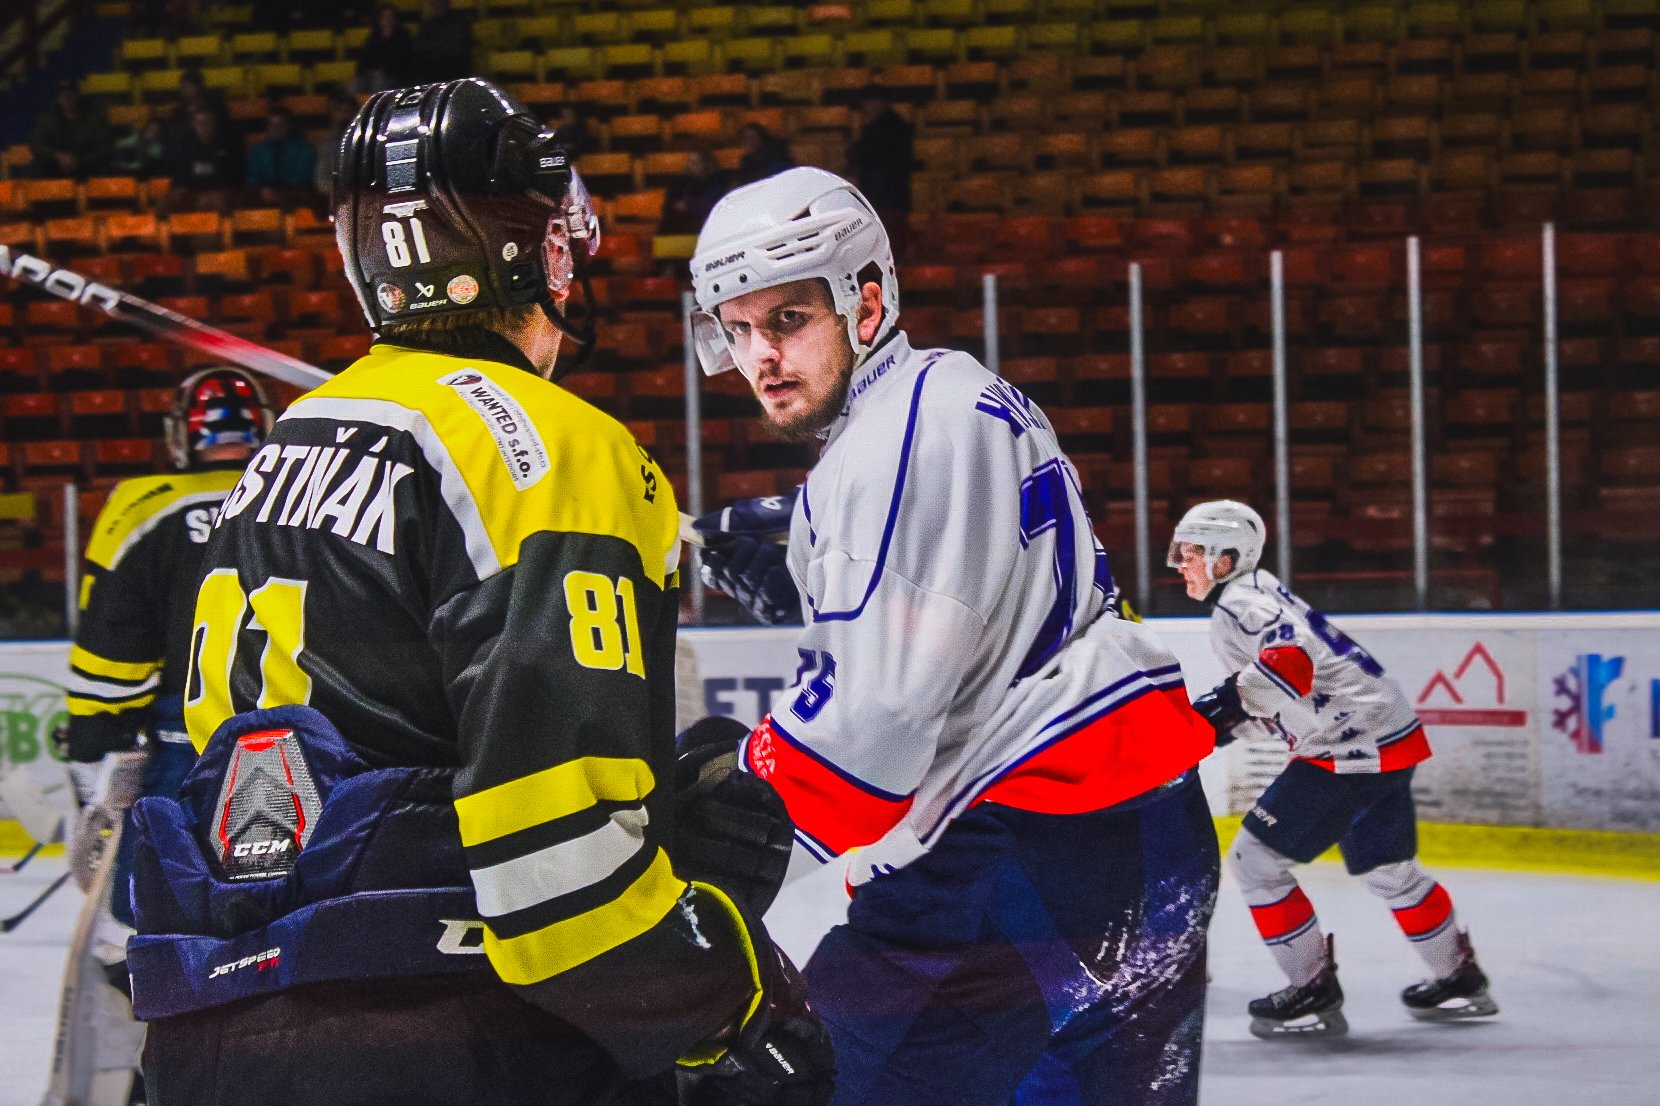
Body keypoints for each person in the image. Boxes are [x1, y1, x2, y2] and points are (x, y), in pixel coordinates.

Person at [124, 79, 832, 1106]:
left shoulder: (285, 445)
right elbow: (558, 883)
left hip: (206, 1037)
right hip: (435, 1031)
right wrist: (734, 997)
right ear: (541, 252)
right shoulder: (556, 448)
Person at [687, 167, 1219, 1106]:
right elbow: (974, 617)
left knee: (796, 1088)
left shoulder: (890, 441)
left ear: (867, 301)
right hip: (1141, 832)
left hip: (1021, 850)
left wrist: (720, 821)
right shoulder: (956, 390)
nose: (760, 355)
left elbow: (874, 729)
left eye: (787, 319)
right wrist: (804, 589)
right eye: (738, 328)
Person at [1169, 499, 1499, 1039]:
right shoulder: (1261, 589)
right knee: (1389, 870)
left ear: (1225, 558)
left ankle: (1311, 988)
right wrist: (1217, 726)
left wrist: (1214, 712)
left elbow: (1288, 668)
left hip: (1347, 751)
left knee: (1256, 863)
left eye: (1191, 553)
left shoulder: (1240, 604)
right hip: (1388, 737)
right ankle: (1457, 976)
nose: (1181, 564)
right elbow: (1282, 694)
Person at [60, 367, 273, 1102]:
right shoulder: (303, 493)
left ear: (185, 433)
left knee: (149, 920)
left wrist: (96, 739)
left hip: (183, 754)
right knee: (282, 914)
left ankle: (152, 1073)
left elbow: (111, 644)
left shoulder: (146, 504)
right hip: (299, 750)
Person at [845, 88, 913, 259]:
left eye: (868, 101)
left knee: (889, 241)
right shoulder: (878, 126)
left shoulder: (891, 127)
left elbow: (870, 156)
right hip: (882, 193)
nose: (865, 106)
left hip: (887, 194)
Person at [30, 81, 109, 179]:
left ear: (78, 96)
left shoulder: (94, 118)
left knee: (103, 166)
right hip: (57, 166)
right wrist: (57, 155)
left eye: (70, 94)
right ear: (58, 98)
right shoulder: (48, 119)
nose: (67, 98)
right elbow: (36, 145)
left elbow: (104, 148)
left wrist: (79, 161)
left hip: (86, 166)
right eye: (62, 95)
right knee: (36, 167)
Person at [167, 107, 240, 211]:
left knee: (219, 201)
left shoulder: (226, 146)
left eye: (207, 122)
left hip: (218, 193)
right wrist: (179, 190)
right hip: (192, 193)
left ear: (214, 123)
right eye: (200, 123)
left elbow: (232, 177)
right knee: (166, 202)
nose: (204, 126)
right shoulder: (185, 148)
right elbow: (179, 178)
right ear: (193, 125)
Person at [246, 106, 317, 205]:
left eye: (281, 124)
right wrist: (261, 189)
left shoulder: (304, 149)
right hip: (264, 199)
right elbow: (252, 178)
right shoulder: (258, 151)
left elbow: (305, 178)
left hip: (296, 198)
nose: (276, 129)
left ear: (288, 126)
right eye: (272, 125)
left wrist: (283, 194)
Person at [660, 147, 729, 235]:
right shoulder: (679, 183)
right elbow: (670, 206)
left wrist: (689, 205)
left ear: (706, 163)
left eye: (697, 162)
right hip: (682, 229)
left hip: (707, 227)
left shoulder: (718, 181)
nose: (693, 165)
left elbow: (716, 204)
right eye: (690, 162)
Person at [410, 0, 474, 83]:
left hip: (453, 69)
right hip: (429, 69)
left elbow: (456, 49)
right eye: (433, 4)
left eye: (438, 3)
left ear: (445, 4)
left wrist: (432, 48)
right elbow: (417, 47)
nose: (435, 6)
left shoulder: (458, 22)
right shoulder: (427, 24)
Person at [355, 6, 414, 91]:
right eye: (384, 16)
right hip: (372, 76)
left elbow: (404, 63)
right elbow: (364, 60)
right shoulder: (373, 37)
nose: (387, 19)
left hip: (395, 78)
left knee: (379, 82)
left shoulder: (404, 37)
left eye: (390, 16)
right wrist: (369, 72)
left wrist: (383, 72)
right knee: (356, 84)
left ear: (396, 19)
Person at [734, 122, 792, 186]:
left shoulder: (776, 158)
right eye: (746, 138)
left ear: (762, 138)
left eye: (754, 137)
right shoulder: (746, 161)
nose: (750, 142)